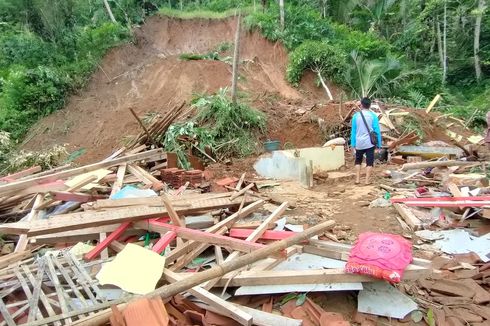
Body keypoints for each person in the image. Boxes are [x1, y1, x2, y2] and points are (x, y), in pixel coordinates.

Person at [350, 97, 382, 185]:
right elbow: (377, 131)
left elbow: (353, 131)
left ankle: (357, 180)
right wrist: (379, 144)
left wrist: (352, 144)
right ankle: (367, 181)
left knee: (358, 161)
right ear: (370, 105)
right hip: (369, 143)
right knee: (369, 162)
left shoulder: (355, 116)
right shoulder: (373, 116)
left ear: (362, 105)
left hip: (359, 143)